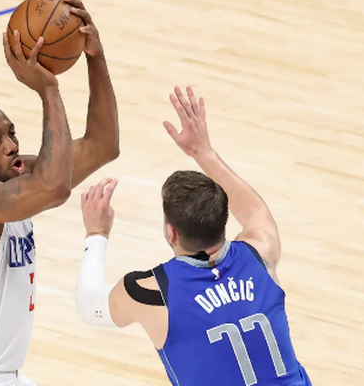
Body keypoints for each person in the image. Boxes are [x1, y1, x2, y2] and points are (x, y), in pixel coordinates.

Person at [0, 0, 119, 386]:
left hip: (11, 376)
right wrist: (48, 89)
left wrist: (95, 56)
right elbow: (54, 188)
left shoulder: (17, 180)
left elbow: (103, 145)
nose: (12, 146)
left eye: (12, 133)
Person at [75, 86, 312, 385]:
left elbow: (89, 307)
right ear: (224, 220)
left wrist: (96, 233)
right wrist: (203, 151)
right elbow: (255, 210)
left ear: (170, 231)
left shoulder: (151, 292)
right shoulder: (259, 253)